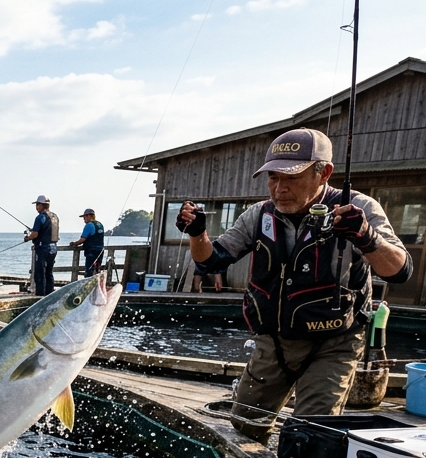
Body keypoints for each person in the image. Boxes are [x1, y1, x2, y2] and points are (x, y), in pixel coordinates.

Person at [176, 128, 412, 439]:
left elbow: (400, 270)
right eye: (273, 178)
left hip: (335, 341)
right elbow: (212, 260)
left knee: (312, 433)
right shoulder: (258, 214)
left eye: (291, 178)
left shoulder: (358, 208)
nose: (279, 188)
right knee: (247, 424)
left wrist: (367, 237)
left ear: (323, 173)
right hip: (274, 340)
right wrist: (197, 234)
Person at [23, 195, 59, 295]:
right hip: (54, 248)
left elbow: (35, 234)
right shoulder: (55, 217)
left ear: (42, 205)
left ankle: (40, 296)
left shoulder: (40, 217)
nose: (36, 207)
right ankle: (50, 294)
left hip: (43, 248)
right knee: (49, 273)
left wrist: (28, 238)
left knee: (39, 274)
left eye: (37, 205)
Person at [69, 209, 106, 276]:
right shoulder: (100, 224)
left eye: (85, 217)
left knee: (89, 271)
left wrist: (75, 243)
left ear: (89, 216)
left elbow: (83, 239)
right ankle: (96, 284)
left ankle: (89, 284)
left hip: (92, 251)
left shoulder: (89, 225)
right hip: (100, 250)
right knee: (97, 270)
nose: (84, 219)